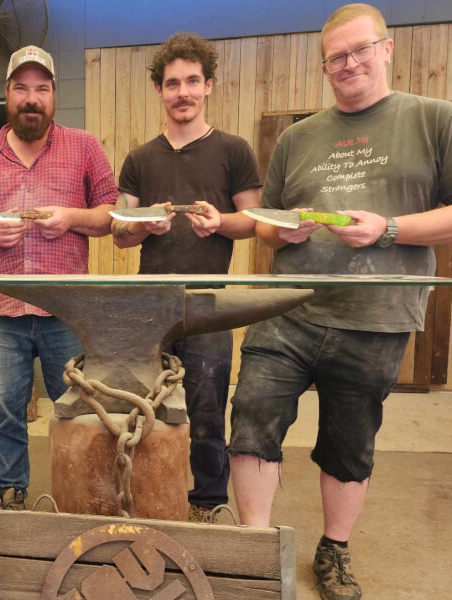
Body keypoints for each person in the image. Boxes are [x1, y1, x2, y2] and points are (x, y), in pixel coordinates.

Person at [227, 4, 452, 599]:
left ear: (387, 48)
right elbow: (265, 225)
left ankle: (334, 550)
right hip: (286, 310)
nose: (348, 64)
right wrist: (286, 231)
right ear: (324, 66)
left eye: (359, 50)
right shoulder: (297, 137)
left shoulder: (437, 119)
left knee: (349, 441)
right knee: (251, 416)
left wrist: (389, 229)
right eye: (335, 57)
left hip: (375, 318)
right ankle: (254, 550)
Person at [0, 46, 117, 510]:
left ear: (54, 95)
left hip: (67, 309)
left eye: (41, 88)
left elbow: (111, 215)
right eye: (21, 88)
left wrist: (72, 217)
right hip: (4, 310)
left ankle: (81, 494)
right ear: (7, 94)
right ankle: (10, 495)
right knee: (6, 411)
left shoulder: (84, 146)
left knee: (78, 409)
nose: (31, 98)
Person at [112, 33, 261, 524]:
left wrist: (221, 222)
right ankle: (151, 495)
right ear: (159, 89)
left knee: (207, 406)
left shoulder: (233, 151)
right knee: (145, 406)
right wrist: (143, 226)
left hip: (207, 304)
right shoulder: (140, 159)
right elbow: (119, 232)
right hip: (148, 305)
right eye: (173, 83)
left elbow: (254, 221)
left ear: (209, 85)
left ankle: (207, 503)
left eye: (192, 81)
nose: (183, 92)